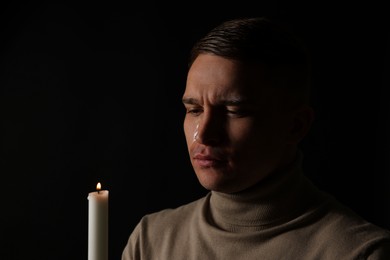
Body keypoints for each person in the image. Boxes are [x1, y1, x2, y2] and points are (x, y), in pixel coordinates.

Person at [121, 16, 390, 259]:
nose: (203, 133)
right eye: (194, 110)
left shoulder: (359, 252)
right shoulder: (151, 240)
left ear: (295, 126)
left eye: (234, 111)